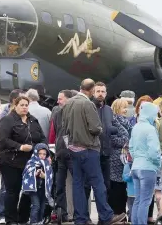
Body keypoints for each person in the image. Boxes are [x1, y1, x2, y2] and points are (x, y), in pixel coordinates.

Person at [62, 78, 126, 225]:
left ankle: (81, 218)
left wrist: (69, 145)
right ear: (91, 90)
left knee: (78, 184)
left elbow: (64, 128)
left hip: (73, 149)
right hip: (89, 149)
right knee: (98, 183)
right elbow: (95, 128)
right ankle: (106, 216)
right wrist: (102, 130)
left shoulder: (68, 103)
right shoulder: (88, 104)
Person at [0, 96, 46, 225]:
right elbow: (3, 140)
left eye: (26, 105)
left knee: (28, 191)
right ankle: (11, 220)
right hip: (11, 161)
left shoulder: (33, 121)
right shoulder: (7, 120)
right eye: (22, 105)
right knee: (12, 191)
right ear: (15, 105)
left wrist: (41, 149)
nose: (24, 107)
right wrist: (20, 147)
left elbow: (42, 138)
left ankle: (22, 218)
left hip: (29, 162)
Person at [129, 102, 161, 225]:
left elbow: (131, 147)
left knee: (138, 199)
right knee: (145, 200)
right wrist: (158, 163)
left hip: (136, 167)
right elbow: (154, 151)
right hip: (148, 168)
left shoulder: (136, 127)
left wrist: (137, 158)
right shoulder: (151, 129)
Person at [52, 90, 76, 222]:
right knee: (59, 185)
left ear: (68, 99)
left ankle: (78, 212)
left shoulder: (75, 113)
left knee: (77, 184)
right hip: (60, 154)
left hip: (73, 154)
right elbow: (57, 133)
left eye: (60, 99)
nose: (58, 101)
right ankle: (62, 212)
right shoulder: (57, 114)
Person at [108, 99, 131, 217]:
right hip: (115, 158)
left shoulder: (126, 122)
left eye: (126, 107)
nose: (126, 110)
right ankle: (116, 213)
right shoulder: (113, 121)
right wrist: (125, 142)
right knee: (116, 186)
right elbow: (112, 139)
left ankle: (121, 213)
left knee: (123, 185)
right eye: (123, 107)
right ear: (117, 108)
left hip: (124, 158)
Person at [22, 143, 53, 225]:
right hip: (34, 190)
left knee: (42, 207)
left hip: (43, 189)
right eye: (40, 153)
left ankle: (40, 220)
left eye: (44, 154)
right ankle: (33, 221)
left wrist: (44, 176)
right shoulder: (31, 162)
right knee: (36, 205)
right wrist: (34, 174)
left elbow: (50, 176)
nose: (42, 156)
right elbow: (26, 173)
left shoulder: (47, 164)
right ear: (36, 153)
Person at [122, 152, 134, 222]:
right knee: (132, 207)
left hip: (135, 193)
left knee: (133, 207)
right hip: (131, 193)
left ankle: (133, 220)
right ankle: (131, 219)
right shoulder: (128, 166)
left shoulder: (127, 166)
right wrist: (131, 174)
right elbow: (125, 178)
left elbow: (124, 178)